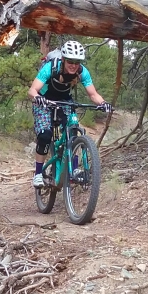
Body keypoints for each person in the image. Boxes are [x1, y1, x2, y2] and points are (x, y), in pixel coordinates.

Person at [28, 40, 112, 188]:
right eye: (70, 61)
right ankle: (38, 173)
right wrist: (38, 98)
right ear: (63, 60)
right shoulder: (51, 67)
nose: (74, 65)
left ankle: (74, 168)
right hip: (44, 100)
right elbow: (32, 90)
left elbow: (93, 94)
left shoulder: (82, 72)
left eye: (77, 62)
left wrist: (103, 103)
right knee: (45, 135)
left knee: (73, 130)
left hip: (64, 101)